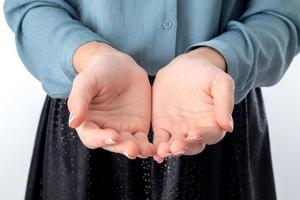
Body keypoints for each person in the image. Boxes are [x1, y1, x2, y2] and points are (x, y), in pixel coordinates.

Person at [3, 0, 300, 199]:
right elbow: (30, 5)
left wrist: (218, 57)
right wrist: (91, 56)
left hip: (213, 110)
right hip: (93, 111)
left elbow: (281, 12)